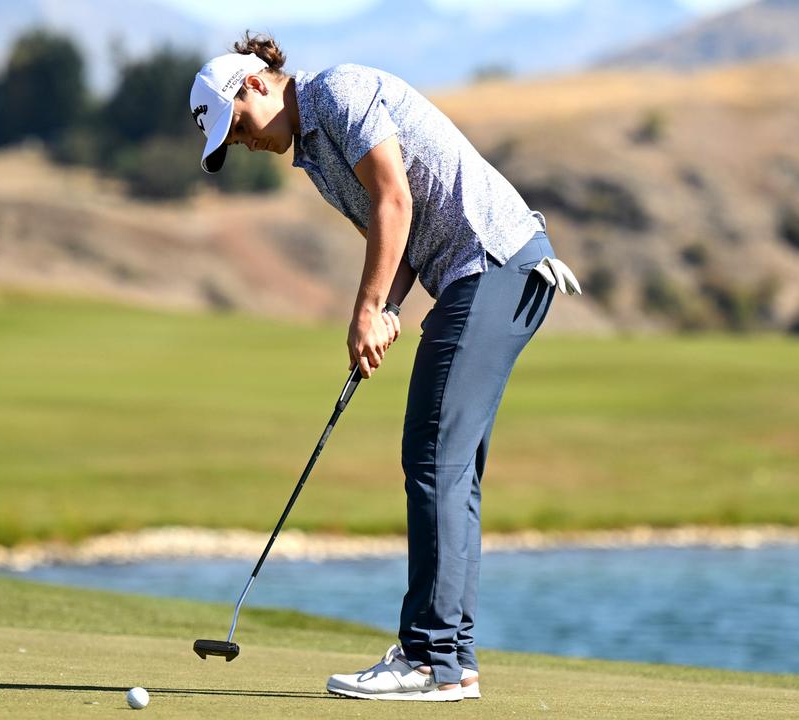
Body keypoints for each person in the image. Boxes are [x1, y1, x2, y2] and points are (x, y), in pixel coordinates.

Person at [189, 33, 581, 703]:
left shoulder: (335, 93)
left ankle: (427, 660)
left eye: (238, 128)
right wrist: (389, 306)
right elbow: (391, 231)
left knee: (431, 455)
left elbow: (396, 200)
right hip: (482, 274)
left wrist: (366, 309)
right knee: (450, 468)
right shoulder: (311, 153)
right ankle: (452, 658)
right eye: (229, 143)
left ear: (254, 84)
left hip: (492, 264)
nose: (244, 144)